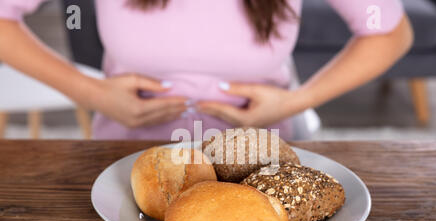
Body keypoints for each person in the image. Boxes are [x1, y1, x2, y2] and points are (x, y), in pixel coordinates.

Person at [0, 0, 413, 140]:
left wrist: (296, 103)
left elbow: (389, 32)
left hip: (262, 167)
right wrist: (89, 92)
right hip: (121, 163)